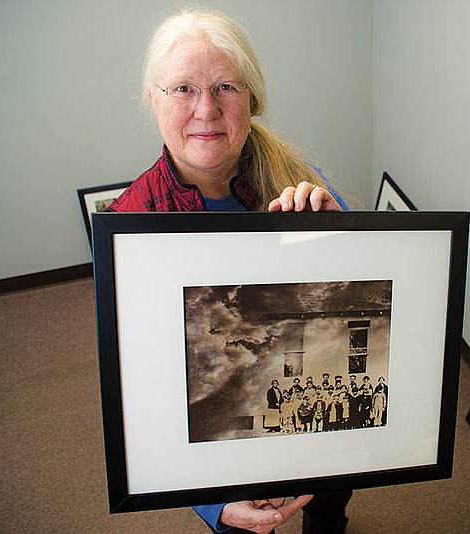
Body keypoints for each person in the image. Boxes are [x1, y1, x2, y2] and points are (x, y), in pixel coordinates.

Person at [107, 8, 351, 533]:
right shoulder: (132, 229)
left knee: (329, 514)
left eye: (224, 87)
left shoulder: (304, 182)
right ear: (153, 98)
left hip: (313, 404)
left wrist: (342, 242)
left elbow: (365, 315)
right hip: (221, 436)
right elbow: (145, 394)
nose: (205, 110)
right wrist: (213, 506)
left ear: (252, 98)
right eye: (182, 89)